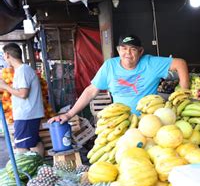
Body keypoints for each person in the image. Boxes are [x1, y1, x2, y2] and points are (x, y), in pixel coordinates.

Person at [50, 34, 189, 123]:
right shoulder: (110, 66)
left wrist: (183, 96)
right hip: (121, 122)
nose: (127, 53)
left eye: (133, 49)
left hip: (149, 121)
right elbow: (91, 91)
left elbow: (180, 63)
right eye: (124, 48)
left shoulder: (149, 63)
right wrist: (68, 115)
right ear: (118, 50)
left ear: (140, 52)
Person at [0, 43, 45, 156]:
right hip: (28, 114)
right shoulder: (22, 70)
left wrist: (5, 86)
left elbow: (23, 93)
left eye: (4, 56)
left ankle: (32, 170)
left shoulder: (23, 70)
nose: (4, 58)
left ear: (7, 54)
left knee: (22, 146)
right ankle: (39, 168)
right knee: (34, 142)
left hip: (26, 114)